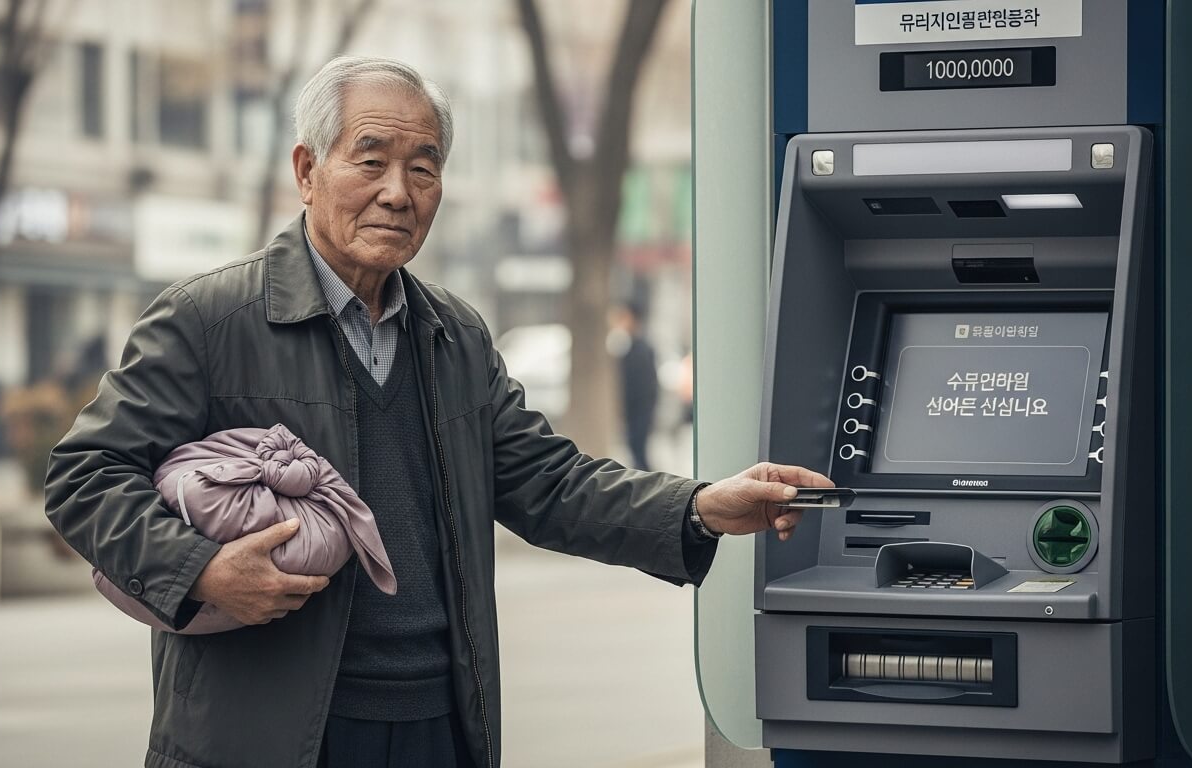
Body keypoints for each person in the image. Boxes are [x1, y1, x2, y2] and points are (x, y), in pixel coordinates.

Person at [45, 56, 831, 768]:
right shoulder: (209, 319)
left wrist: (697, 506)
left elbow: (547, 483)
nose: (399, 191)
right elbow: (84, 476)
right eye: (372, 159)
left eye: (424, 167)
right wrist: (204, 572)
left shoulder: (451, 334)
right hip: (276, 734)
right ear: (307, 169)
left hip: (440, 723)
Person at [611, 300, 659, 470]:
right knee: (635, 452)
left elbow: (647, 386)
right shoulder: (627, 346)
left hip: (640, 411)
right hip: (633, 411)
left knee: (638, 452)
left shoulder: (642, 349)